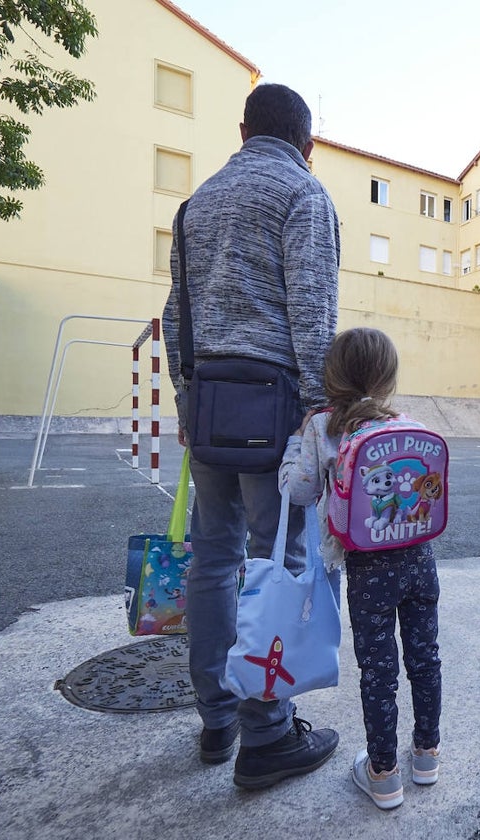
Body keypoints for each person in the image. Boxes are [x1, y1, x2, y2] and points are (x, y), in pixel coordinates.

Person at [162, 83, 340, 790]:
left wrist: (184, 396)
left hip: (209, 401)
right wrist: (323, 409)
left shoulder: (195, 203)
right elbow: (312, 309)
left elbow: (177, 311)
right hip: (276, 409)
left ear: (241, 131)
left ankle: (217, 716)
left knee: (213, 559)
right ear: (309, 144)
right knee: (281, 559)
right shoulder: (303, 194)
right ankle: (268, 734)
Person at [279, 327, 443, 810]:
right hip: (419, 559)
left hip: (369, 569)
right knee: (425, 658)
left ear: (332, 375)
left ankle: (384, 774)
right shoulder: (405, 422)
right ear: (388, 378)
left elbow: (299, 491)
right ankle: (428, 755)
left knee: (378, 671)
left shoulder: (324, 426)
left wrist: (293, 444)